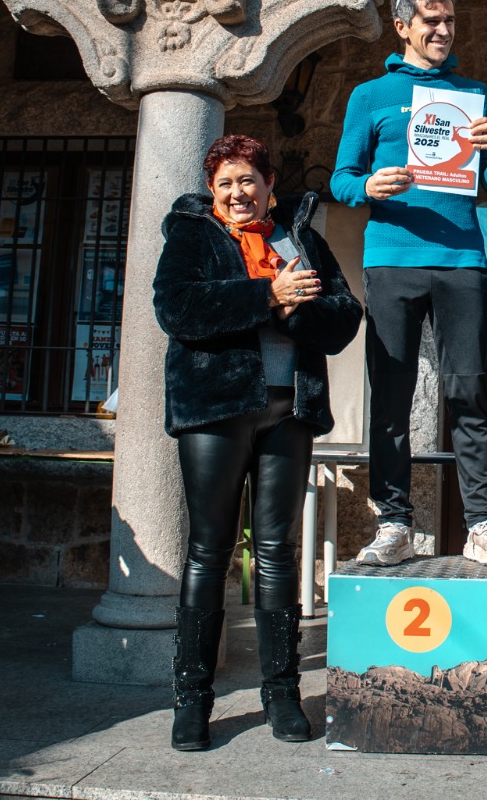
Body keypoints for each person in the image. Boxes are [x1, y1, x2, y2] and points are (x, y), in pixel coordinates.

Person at [154, 134, 361, 752]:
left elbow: (345, 316)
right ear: (211, 190)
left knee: (278, 552)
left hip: (288, 412)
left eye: (248, 180)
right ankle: (192, 700)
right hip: (214, 411)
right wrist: (267, 295)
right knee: (208, 551)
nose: (237, 192)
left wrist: (299, 312)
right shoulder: (192, 234)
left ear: (269, 185)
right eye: (225, 183)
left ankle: (282, 693)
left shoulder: (300, 239)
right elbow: (177, 309)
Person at [331, 0, 487, 568]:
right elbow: (340, 178)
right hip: (391, 260)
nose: (443, 31)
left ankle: (482, 525)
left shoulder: (474, 94)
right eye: (431, 21)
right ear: (403, 27)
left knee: (468, 392)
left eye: (449, 21)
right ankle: (394, 524)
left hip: (462, 260)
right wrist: (368, 186)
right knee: (391, 397)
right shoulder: (370, 95)